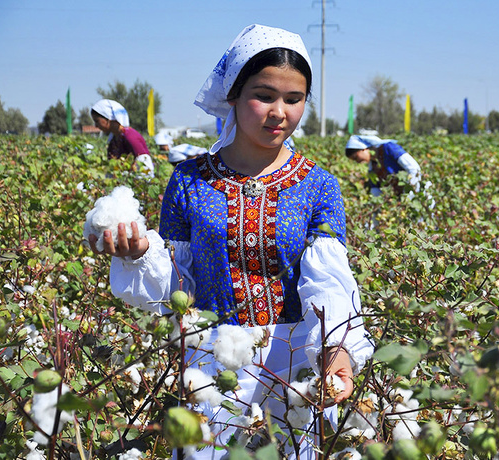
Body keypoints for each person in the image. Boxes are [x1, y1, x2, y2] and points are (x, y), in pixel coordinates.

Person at [87, 24, 373, 459]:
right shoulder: (188, 181)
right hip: (213, 362)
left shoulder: (319, 186)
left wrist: (337, 349)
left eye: (294, 100)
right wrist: (141, 255)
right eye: (264, 95)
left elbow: (328, 283)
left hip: (294, 360)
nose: (280, 112)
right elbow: (181, 286)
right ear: (233, 96)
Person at [91, 99, 155, 178]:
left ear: (108, 118)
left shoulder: (131, 137)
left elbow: (146, 170)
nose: (96, 126)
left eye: (97, 121)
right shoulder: (114, 140)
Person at [345, 134, 424, 197]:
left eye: (356, 157)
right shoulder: (372, 167)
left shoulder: (389, 148)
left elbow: (414, 169)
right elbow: (375, 190)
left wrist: (410, 194)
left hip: (418, 195)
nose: (358, 161)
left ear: (363, 148)